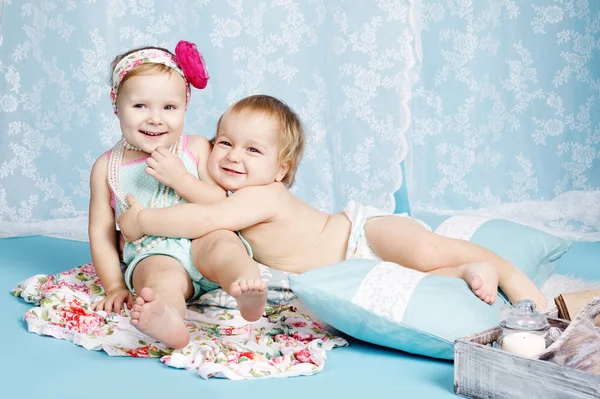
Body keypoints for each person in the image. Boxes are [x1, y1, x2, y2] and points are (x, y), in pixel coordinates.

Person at [117, 94, 548, 316]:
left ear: (281, 170)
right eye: (226, 143)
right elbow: (207, 204)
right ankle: (468, 273)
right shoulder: (231, 194)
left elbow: (206, 217)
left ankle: (503, 268)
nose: (232, 156)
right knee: (404, 280)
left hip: (361, 232)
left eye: (253, 151)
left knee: (425, 252)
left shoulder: (262, 195)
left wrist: (143, 221)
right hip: (350, 267)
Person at [88, 41, 266, 350]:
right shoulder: (107, 166)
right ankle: (168, 318)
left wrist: (181, 179)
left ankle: (247, 287)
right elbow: (101, 233)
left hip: (204, 236)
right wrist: (115, 285)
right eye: (140, 106)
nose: (155, 118)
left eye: (169, 107)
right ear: (116, 105)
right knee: (158, 282)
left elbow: (220, 202)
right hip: (155, 252)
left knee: (226, 247)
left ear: (184, 107)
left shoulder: (195, 148)